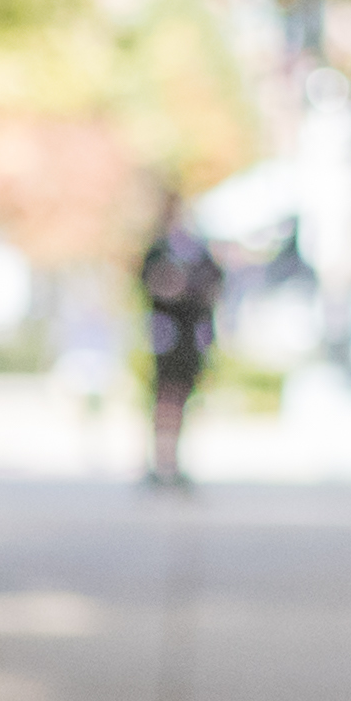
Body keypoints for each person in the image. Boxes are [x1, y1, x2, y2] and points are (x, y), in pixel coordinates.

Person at [139, 193, 223, 490]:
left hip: (191, 337)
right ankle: (160, 461)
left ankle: (174, 462)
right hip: (167, 337)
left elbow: (213, 284)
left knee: (185, 400)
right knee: (165, 399)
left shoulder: (198, 251)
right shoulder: (160, 250)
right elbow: (155, 284)